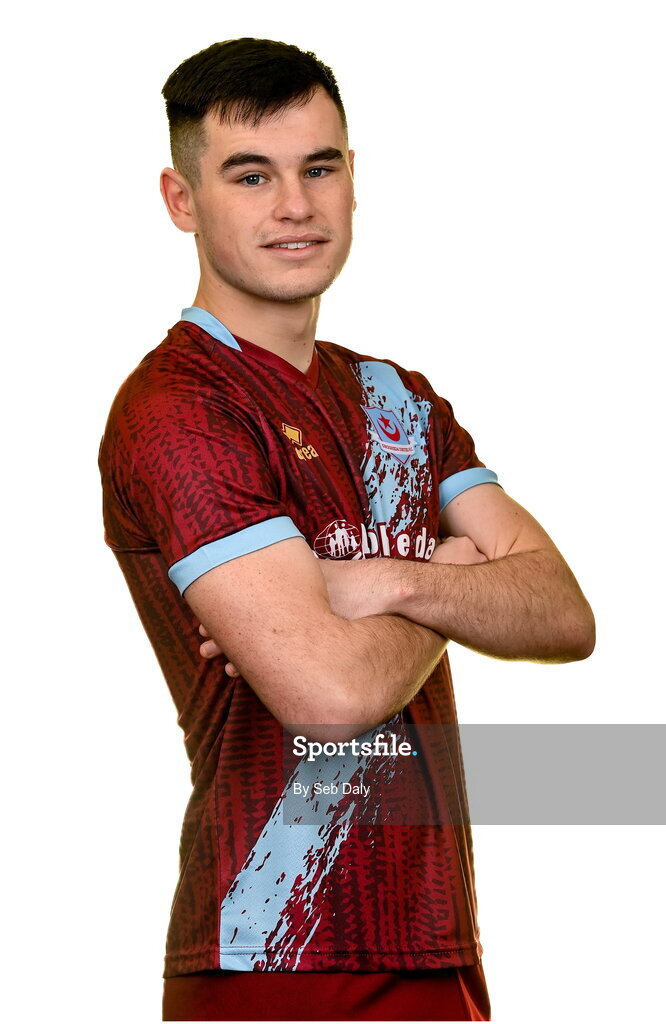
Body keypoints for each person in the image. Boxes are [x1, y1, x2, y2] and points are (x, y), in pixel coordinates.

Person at [98, 37, 595, 1022]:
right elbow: (328, 693)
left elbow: (566, 613)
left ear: (352, 180)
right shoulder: (180, 407)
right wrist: (454, 571)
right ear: (181, 200)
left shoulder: (398, 402)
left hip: (436, 937)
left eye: (318, 168)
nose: (295, 205)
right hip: (273, 948)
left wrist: (394, 583)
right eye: (252, 175)